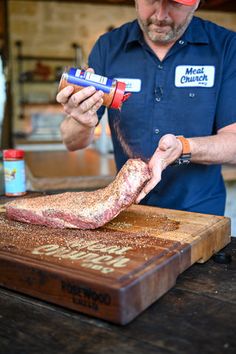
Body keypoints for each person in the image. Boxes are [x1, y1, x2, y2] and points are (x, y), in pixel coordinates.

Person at [56, 0, 236, 216]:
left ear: (195, 3)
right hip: (129, 211)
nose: (160, 15)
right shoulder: (108, 47)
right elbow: (71, 141)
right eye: (151, 0)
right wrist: (82, 121)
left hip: (199, 212)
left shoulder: (226, 46)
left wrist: (182, 147)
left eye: (174, 4)